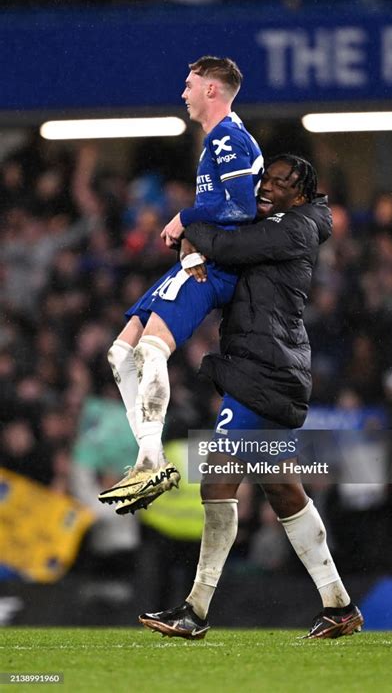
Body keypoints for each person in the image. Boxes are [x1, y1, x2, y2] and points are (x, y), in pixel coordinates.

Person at [137, 154, 364, 640]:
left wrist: (192, 226)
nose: (267, 188)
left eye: (281, 184)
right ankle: (340, 606)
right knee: (282, 487)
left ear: (300, 194)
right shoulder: (285, 221)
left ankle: (195, 611)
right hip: (265, 367)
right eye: (266, 179)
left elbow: (232, 246)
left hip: (265, 370)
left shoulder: (296, 228)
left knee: (217, 481)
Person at [98, 56, 263, 513]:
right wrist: (189, 237)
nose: (183, 93)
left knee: (150, 351)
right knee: (119, 353)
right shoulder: (218, 138)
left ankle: (151, 461)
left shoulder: (228, 137)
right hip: (199, 258)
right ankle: (148, 458)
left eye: (190, 85)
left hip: (216, 268)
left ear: (212, 90)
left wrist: (185, 216)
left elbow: (241, 207)